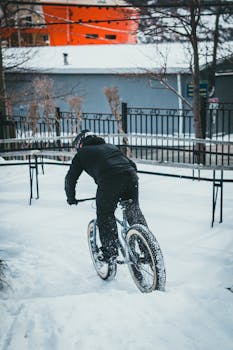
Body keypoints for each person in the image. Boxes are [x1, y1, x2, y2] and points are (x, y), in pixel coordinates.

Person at [65, 130, 147, 262]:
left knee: (105, 214)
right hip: (131, 177)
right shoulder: (110, 146)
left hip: (110, 180)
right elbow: (132, 165)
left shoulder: (82, 153)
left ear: (80, 144)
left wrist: (71, 197)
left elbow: (70, 178)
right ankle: (148, 249)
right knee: (133, 211)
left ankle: (110, 251)